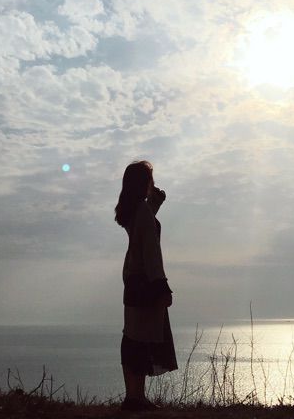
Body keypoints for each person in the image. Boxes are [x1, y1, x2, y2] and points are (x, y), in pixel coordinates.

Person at [115, 160, 178, 412]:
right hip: (145, 279)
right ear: (144, 182)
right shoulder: (141, 211)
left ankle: (135, 397)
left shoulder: (134, 210)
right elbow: (150, 250)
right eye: (150, 178)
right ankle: (135, 398)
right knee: (138, 340)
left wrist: (153, 205)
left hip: (133, 278)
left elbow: (142, 227)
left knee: (133, 337)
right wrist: (161, 285)